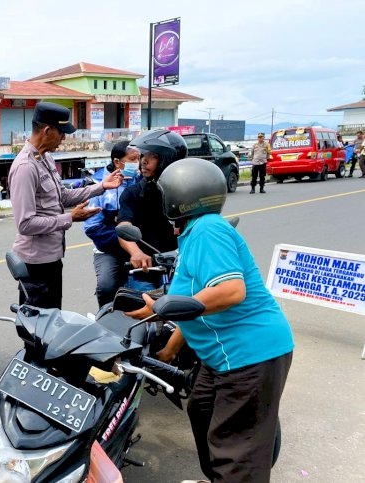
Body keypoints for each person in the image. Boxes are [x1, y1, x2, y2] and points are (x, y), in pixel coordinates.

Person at [128, 158, 294, 483]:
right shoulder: (190, 236)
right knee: (201, 409)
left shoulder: (208, 229)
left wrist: (161, 306)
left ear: (182, 196)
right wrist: (168, 351)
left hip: (250, 354)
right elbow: (190, 306)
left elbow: (231, 291)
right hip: (221, 357)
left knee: (236, 451)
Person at [8, 101, 123, 309]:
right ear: (47, 131)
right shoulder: (25, 167)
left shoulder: (47, 159)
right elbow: (25, 224)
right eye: (62, 133)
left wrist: (102, 187)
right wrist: (70, 218)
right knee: (37, 328)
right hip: (35, 263)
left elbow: (62, 197)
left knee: (53, 320)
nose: (63, 139)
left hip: (51, 258)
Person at [117, 129, 186, 292]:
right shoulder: (132, 193)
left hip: (181, 271)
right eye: (143, 155)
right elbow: (123, 227)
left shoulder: (184, 194)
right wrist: (136, 253)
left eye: (153, 156)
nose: (144, 161)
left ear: (167, 160)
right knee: (141, 307)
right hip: (144, 271)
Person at [83, 140, 140, 308]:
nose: (137, 163)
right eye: (132, 159)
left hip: (141, 246)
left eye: (139, 158)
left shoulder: (142, 180)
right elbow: (93, 228)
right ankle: (105, 322)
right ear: (117, 162)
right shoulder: (99, 185)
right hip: (108, 250)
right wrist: (128, 244)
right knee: (106, 287)